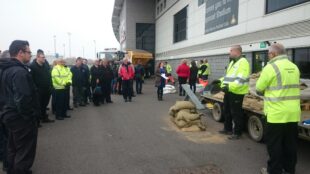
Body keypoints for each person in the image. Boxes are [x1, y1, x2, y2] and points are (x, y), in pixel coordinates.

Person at [256, 44, 300, 174]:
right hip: (293, 113)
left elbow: (259, 88)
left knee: (274, 145)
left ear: (273, 54)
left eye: (269, 54)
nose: (268, 56)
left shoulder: (270, 67)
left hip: (276, 114)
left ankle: (274, 171)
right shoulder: (294, 67)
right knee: (290, 145)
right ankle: (289, 170)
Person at [0, 40, 39, 174]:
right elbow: (23, 98)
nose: (30, 55)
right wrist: (29, 116)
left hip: (8, 115)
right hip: (20, 118)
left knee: (13, 147)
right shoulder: (19, 72)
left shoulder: (6, 69)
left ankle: (12, 170)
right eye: (29, 52)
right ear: (20, 53)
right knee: (24, 151)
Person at [215, 45, 250, 140]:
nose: (229, 52)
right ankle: (228, 128)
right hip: (229, 91)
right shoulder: (232, 63)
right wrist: (219, 81)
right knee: (227, 110)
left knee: (236, 113)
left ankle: (237, 133)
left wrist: (228, 87)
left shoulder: (243, 63)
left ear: (237, 51)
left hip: (237, 92)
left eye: (231, 50)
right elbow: (228, 77)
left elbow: (240, 79)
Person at [30, 49, 54, 124]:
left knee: (44, 105)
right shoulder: (32, 66)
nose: (44, 59)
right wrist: (35, 89)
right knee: (38, 106)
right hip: (38, 91)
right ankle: (37, 121)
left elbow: (49, 75)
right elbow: (31, 80)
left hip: (47, 89)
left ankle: (44, 118)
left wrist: (51, 86)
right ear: (37, 57)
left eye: (44, 57)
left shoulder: (46, 65)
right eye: (42, 57)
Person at [0, 50, 10, 172]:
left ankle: (4, 159)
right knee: (7, 138)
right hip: (4, 108)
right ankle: (7, 163)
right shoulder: (6, 71)